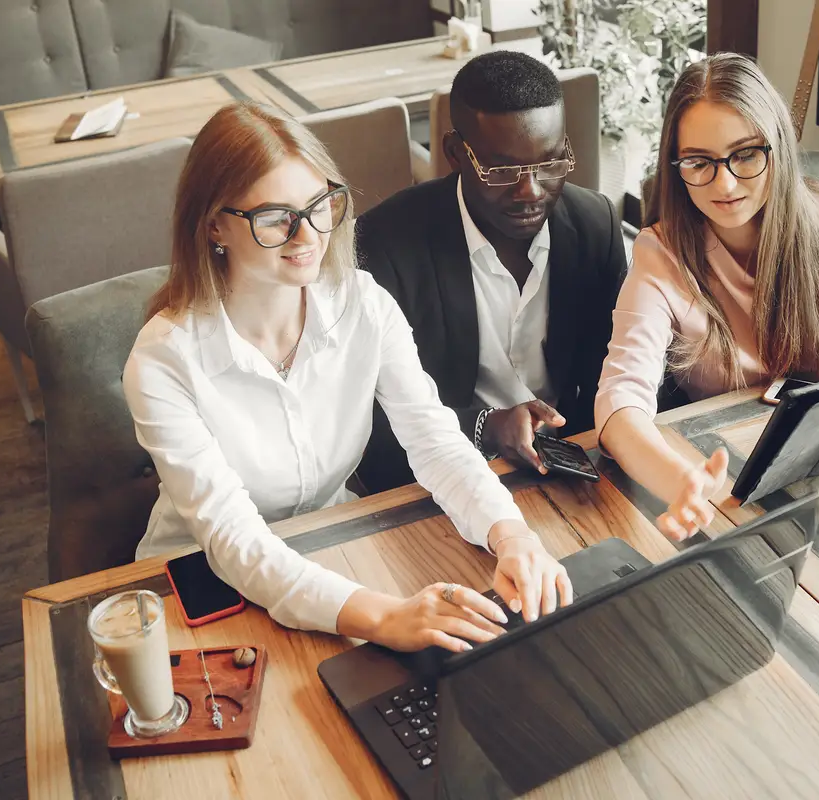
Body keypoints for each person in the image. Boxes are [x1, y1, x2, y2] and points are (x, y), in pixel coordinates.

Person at [123, 101, 571, 654]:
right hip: (201, 585)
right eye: (274, 218)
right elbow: (232, 538)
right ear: (214, 225)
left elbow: (435, 443)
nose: (307, 234)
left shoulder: (364, 303)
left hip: (331, 550)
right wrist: (385, 618)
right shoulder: (164, 358)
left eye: (319, 205)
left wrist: (513, 535)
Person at [596, 54, 819, 542]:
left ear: (777, 145)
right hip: (722, 480)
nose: (725, 183)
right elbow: (619, 400)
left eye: (746, 154)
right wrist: (679, 481)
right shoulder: (661, 251)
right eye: (699, 162)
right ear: (676, 167)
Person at [355, 50, 627, 493]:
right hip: (443, 475)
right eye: (502, 169)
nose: (530, 190)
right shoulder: (385, 244)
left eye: (549, 163)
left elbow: (612, 366)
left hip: (572, 466)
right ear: (456, 154)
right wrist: (486, 427)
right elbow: (369, 412)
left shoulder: (594, 223)